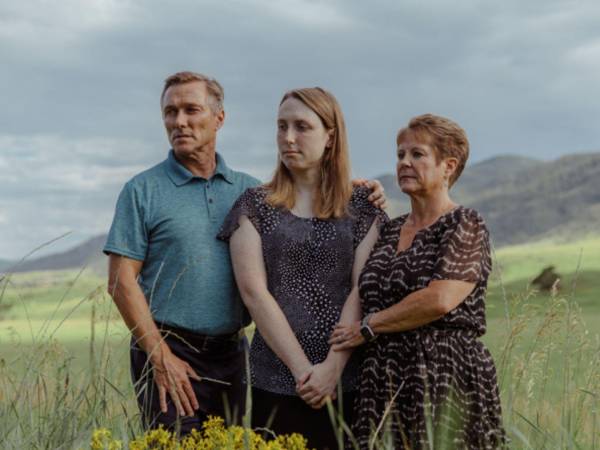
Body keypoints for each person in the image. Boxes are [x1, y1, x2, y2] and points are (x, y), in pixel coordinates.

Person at [104, 73, 386, 435]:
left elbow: (308, 196)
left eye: (191, 110)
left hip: (232, 354)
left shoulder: (249, 191)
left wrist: (359, 188)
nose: (179, 121)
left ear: (219, 118)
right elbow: (120, 281)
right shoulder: (142, 190)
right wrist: (160, 357)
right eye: (170, 112)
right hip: (169, 348)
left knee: (228, 443)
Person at [217, 87, 387, 450]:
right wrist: (303, 373)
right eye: (281, 126)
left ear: (330, 136)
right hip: (275, 379)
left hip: (350, 378)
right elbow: (253, 292)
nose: (288, 138)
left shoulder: (363, 205)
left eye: (302, 127)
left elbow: (363, 288)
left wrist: (332, 368)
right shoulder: (253, 205)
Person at [331, 114, 505, 449]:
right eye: (400, 155)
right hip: (381, 374)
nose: (404, 163)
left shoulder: (464, 223)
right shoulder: (390, 229)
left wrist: (368, 327)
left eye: (417, 154)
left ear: (448, 166)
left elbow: (440, 299)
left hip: (444, 371)